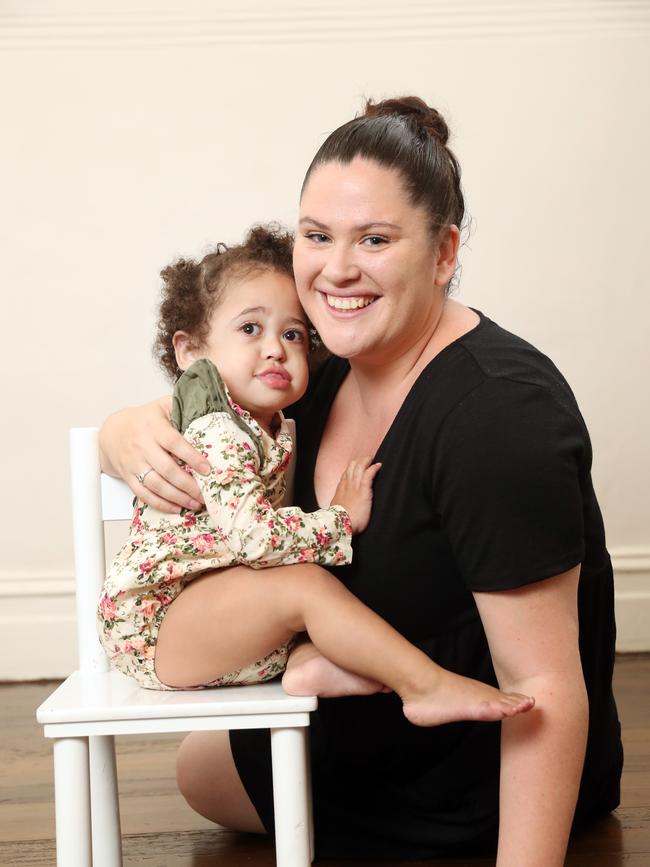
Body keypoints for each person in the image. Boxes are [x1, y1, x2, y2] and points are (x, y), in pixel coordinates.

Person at [99, 97, 623, 864]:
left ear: (444, 254)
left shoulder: (500, 415)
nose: (335, 269)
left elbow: (544, 682)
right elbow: (208, 405)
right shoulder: (318, 368)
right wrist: (123, 433)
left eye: (374, 239)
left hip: (474, 760)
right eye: (317, 236)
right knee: (200, 770)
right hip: (374, 725)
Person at [97, 223, 534, 728]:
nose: (276, 349)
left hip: (213, 609)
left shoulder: (271, 425)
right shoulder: (218, 429)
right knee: (304, 584)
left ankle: (306, 663)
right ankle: (425, 685)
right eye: (249, 329)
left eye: (293, 334)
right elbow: (254, 539)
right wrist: (339, 520)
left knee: (310, 582)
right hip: (157, 624)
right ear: (192, 352)